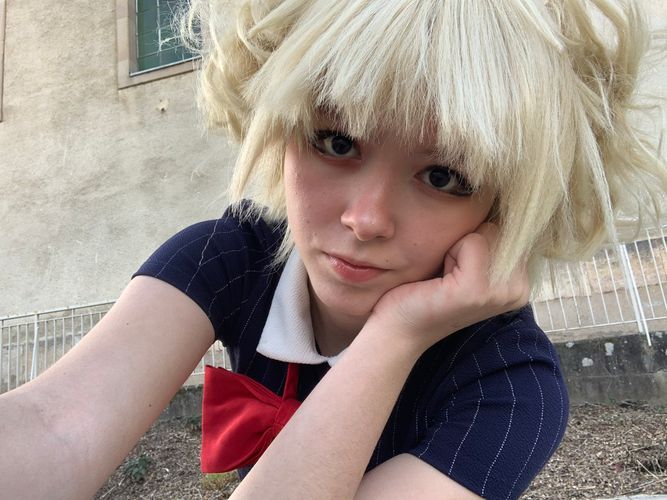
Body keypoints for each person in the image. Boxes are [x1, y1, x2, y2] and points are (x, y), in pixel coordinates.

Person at [1, 0, 666, 498]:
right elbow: (55, 427)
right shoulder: (229, 255)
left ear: (505, 206)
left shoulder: (511, 387)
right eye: (336, 142)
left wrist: (396, 335)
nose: (365, 218)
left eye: (443, 176)